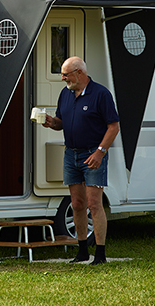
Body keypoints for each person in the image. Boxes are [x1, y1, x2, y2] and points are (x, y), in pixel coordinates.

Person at [42, 56, 120, 265]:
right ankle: (82, 251)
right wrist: (52, 123)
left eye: (66, 74)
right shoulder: (65, 94)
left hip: (93, 154)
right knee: (77, 204)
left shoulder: (100, 94)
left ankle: (101, 254)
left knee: (94, 204)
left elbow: (113, 126)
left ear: (79, 73)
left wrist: (100, 152)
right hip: (71, 154)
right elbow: (61, 123)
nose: (63, 78)